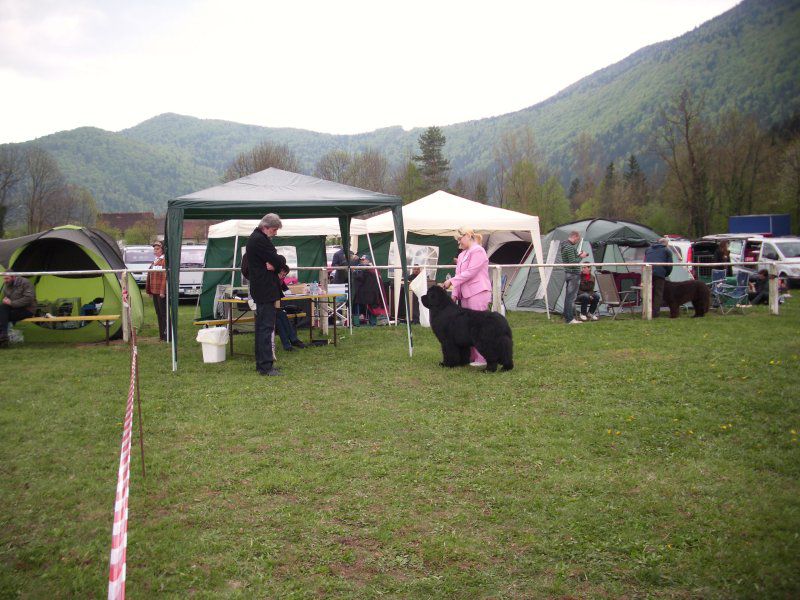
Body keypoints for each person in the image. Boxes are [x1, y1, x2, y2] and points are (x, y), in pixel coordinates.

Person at [442, 227, 491, 366]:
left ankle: (483, 359)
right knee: (467, 328)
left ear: (468, 236)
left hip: (478, 293)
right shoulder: (463, 254)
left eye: (460, 239)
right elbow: (459, 276)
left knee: (479, 327)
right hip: (465, 295)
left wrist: (450, 281)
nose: (459, 243)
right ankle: (471, 357)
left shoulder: (479, 251)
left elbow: (470, 272)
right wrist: (455, 294)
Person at [245, 213, 287, 376]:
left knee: (263, 327)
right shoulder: (260, 240)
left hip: (261, 288)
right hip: (265, 289)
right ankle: (265, 366)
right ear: (266, 227)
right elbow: (277, 260)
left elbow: (276, 261)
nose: (276, 233)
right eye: (275, 229)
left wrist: (277, 263)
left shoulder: (256, 238)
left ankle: (262, 363)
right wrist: (278, 263)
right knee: (266, 328)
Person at [0, 271, 36, 347]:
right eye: (4, 278)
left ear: (13, 277)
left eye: (7, 278)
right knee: (2, 307)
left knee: (2, 317)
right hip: (14, 309)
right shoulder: (7, 284)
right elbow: (5, 297)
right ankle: (3, 336)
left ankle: (3, 337)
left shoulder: (25, 283)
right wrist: (5, 300)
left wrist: (11, 303)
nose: (5, 280)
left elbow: (29, 299)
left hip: (27, 309)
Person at [560, 231, 589, 324]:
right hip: (573, 274)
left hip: (569, 273)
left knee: (568, 297)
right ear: (575, 237)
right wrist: (582, 257)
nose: (577, 241)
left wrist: (578, 255)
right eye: (578, 239)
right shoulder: (569, 247)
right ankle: (570, 319)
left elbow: (570, 260)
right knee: (571, 298)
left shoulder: (565, 245)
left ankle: (566, 316)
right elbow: (573, 262)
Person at [644, 237, 673, 318]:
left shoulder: (648, 249)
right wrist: (665, 274)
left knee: (648, 292)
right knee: (658, 293)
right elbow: (669, 266)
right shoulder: (667, 250)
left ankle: (646, 311)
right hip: (659, 274)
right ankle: (655, 314)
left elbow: (645, 261)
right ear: (666, 243)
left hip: (647, 273)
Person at [145, 240, 168, 341]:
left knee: (164, 314)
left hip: (161, 293)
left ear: (162, 250)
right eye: (154, 249)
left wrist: (162, 291)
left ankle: (167, 334)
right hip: (154, 292)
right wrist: (149, 291)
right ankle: (161, 335)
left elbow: (164, 277)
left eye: (157, 249)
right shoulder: (154, 261)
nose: (155, 250)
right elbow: (149, 276)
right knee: (158, 313)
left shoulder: (164, 261)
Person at [352, 254, 382, 326]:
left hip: (367, 293)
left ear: (368, 260)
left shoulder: (369, 269)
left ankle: (361, 323)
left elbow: (360, 278)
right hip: (369, 293)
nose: (362, 261)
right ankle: (364, 322)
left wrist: (353, 272)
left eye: (364, 260)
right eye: (362, 260)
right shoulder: (373, 269)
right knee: (360, 304)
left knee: (359, 304)